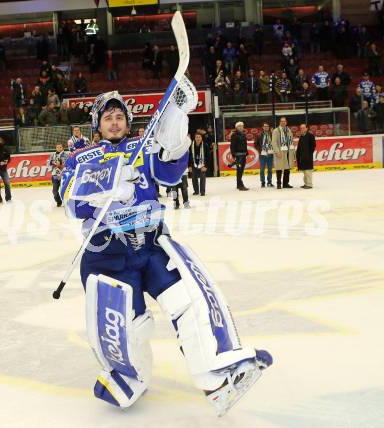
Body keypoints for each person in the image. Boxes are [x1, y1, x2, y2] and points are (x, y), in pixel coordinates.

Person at [59, 89, 272, 414]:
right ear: (97, 125)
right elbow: (71, 203)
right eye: (108, 118)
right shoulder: (81, 158)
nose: (115, 123)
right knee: (126, 327)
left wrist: (175, 124)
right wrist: (107, 190)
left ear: (127, 122)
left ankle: (217, 375)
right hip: (107, 255)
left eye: (120, 117)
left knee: (190, 300)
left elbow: (170, 174)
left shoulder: (143, 148)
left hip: (153, 245)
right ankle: (129, 377)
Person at [272, 117, 295, 189]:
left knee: (287, 168)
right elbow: (274, 142)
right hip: (280, 152)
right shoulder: (276, 131)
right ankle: (279, 183)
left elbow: (292, 141)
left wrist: (293, 151)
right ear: (280, 122)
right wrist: (277, 151)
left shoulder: (289, 130)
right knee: (279, 168)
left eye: (284, 121)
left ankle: (285, 183)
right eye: (282, 121)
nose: (283, 122)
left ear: (286, 122)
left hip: (288, 152)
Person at [296, 124, 316, 189]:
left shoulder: (310, 136)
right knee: (304, 171)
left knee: (308, 171)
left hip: (308, 157)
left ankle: (309, 184)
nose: (302, 129)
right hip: (302, 157)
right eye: (301, 128)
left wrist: (309, 154)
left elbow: (313, 146)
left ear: (307, 128)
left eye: (303, 128)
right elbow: (299, 147)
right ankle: (306, 183)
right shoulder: (301, 137)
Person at [230, 121, 249, 191]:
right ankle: (240, 185)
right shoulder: (234, 135)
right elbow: (232, 146)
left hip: (243, 155)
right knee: (239, 170)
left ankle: (239, 184)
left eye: (242, 126)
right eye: (240, 126)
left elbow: (245, 145)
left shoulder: (243, 134)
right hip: (238, 155)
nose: (241, 127)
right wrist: (233, 155)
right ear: (236, 127)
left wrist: (247, 153)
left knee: (241, 170)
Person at [254, 122, 274, 188]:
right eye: (265, 126)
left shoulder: (272, 134)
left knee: (270, 169)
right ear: (262, 127)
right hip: (262, 154)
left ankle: (269, 182)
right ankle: (262, 182)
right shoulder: (259, 135)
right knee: (262, 169)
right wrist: (260, 150)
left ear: (269, 127)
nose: (266, 127)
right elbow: (255, 144)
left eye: (267, 126)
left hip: (270, 154)